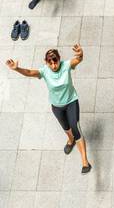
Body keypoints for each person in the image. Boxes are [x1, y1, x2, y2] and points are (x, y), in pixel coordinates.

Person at [6, 45, 93, 173]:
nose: (53, 65)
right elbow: (29, 72)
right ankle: (70, 140)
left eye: (55, 61)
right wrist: (17, 69)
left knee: (76, 129)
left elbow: (78, 60)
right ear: (46, 62)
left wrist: (80, 54)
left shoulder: (66, 65)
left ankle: (85, 162)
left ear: (59, 59)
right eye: (50, 63)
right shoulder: (44, 71)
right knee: (66, 127)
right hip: (56, 105)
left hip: (71, 102)